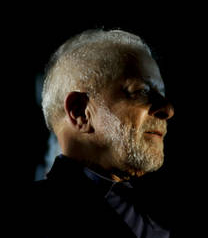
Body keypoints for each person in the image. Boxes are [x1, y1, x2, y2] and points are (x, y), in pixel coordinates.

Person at [13, 29, 174, 238]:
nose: (168, 110)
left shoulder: (162, 208)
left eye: (161, 93)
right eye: (141, 91)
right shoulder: (23, 219)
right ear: (80, 112)